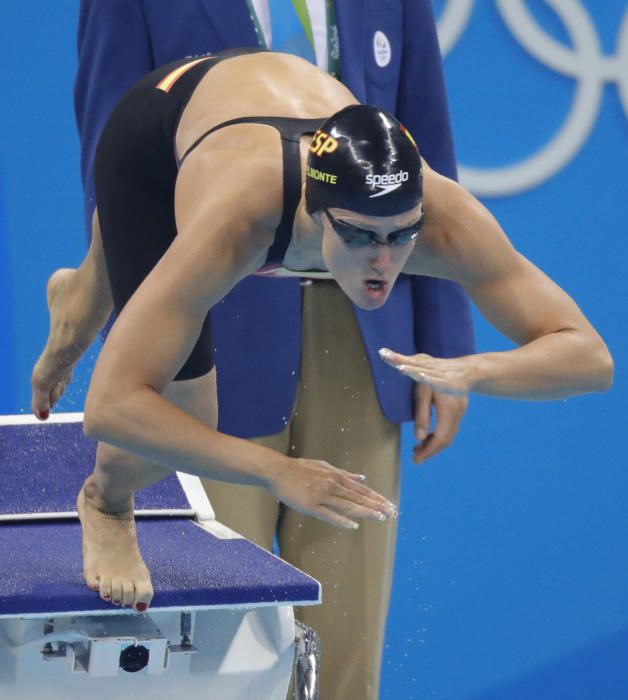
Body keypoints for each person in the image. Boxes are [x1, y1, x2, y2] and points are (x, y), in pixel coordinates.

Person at [32, 50, 612, 697]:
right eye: (362, 237)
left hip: (254, 114)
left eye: (403, 236)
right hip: (158, 135)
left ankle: (83, 295)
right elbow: (113, 407)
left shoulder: (444, 219)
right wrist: (276, 469)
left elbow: (590, 358)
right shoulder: (239, 220)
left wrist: (477, 370)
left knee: (128, 292)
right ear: (315, 209)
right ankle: (104, 502)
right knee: (184, 414)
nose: (384, 263)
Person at [72, 5, 474, 698]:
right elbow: (119, 160)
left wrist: (445, 337)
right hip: (218, 316)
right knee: (225, 647)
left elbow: (425, 144)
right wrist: (130, 326)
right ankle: (76, 299)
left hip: (363, 329)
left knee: (345, 653)